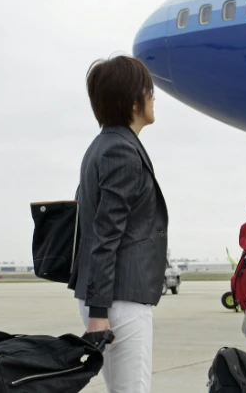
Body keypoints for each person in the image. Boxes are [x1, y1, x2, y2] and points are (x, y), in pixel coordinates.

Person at [69, 55, 169, 393]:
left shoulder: (103, 145)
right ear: (132, 101)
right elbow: (105, 235)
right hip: (119, 298)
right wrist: (99, 312)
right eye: (150, 90)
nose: (154, 98)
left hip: (111, 296)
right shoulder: (120, 152)